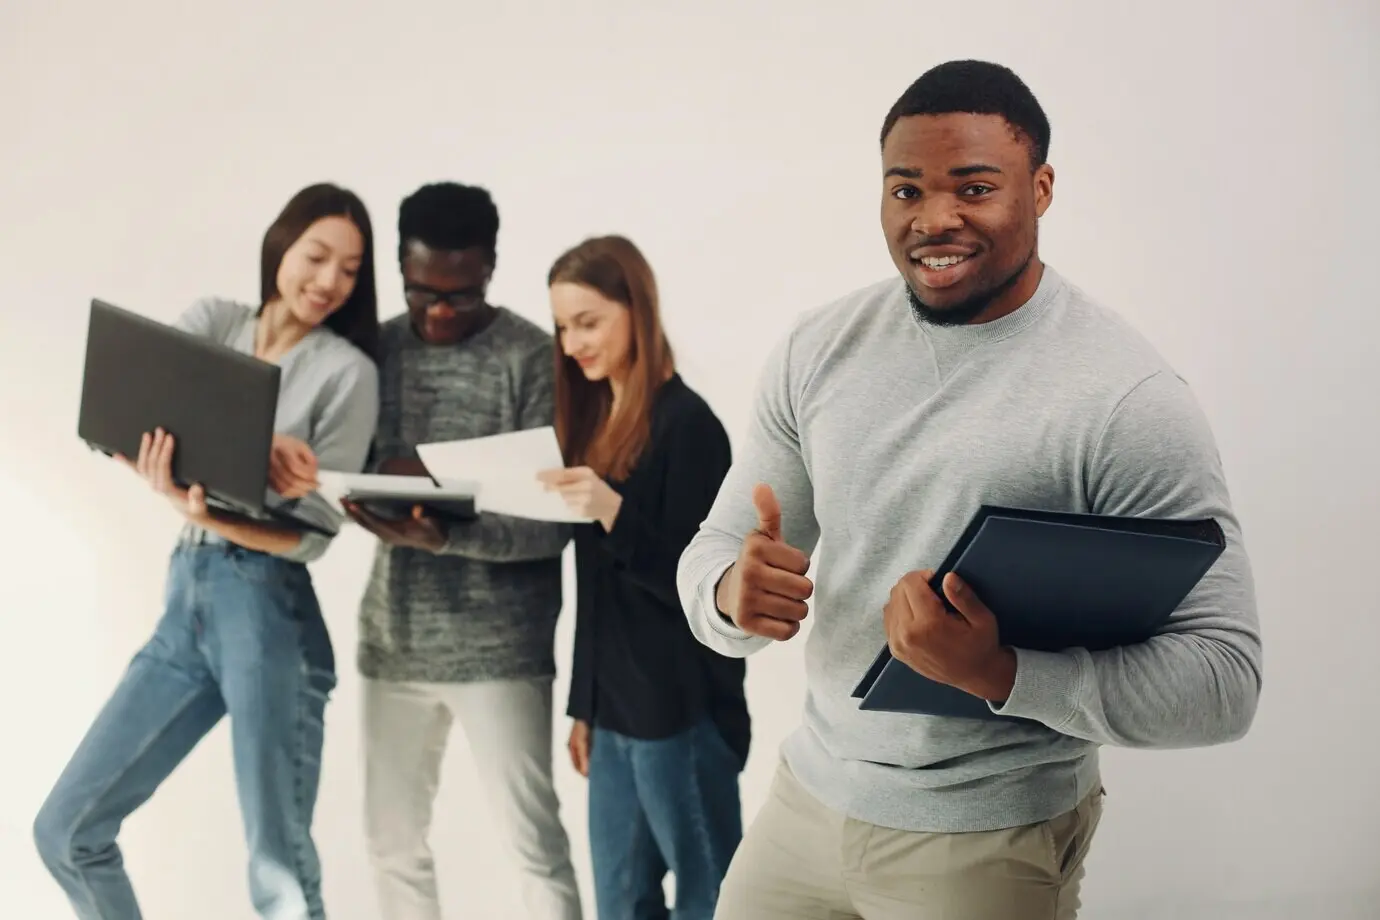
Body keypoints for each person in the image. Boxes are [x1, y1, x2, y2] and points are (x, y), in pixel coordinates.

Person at [677, 60, 1264, 920]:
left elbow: (1224, 681)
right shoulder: (818, 348)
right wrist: (731, 593)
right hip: (806, 801)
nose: (933, 219)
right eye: (906, 190)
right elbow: (717, 549)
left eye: (975, 187)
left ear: (1042, 188)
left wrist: (1000, 672)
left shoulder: (1125, 399)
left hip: (986, 837)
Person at [33, 182, 382, 920]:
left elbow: (312, 536)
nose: (329, 281)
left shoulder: (348, 373)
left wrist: (221, 496)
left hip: (268, 609)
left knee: (277, 870)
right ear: (280, 244)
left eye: (350, 270)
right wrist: (233, 457)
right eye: (317, 256)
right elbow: (131, 412)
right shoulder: (216, 321)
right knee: (67, 829)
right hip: (186, 598)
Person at [341, 181, 582, 920]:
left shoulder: (531, 359)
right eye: (423, 294)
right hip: (395, 639)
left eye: (462, 295)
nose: (441, 312)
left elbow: (554, 524)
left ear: (491, 269)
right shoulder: (376, 349)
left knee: (533, 849)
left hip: (502, 650)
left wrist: (446, 534)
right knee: (391, 845)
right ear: (400, 269)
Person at [538, 235, 749, 920]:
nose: (572, 344)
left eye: (588, 322)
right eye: (563, 327)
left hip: (681, 711)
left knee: (711, 900)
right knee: (620, 905)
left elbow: (703, 586)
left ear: (637, 309)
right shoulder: (592, 424)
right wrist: (585, 705)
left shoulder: (690, 426)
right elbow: (593, 590)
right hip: (616, 714)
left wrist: (611, 510)